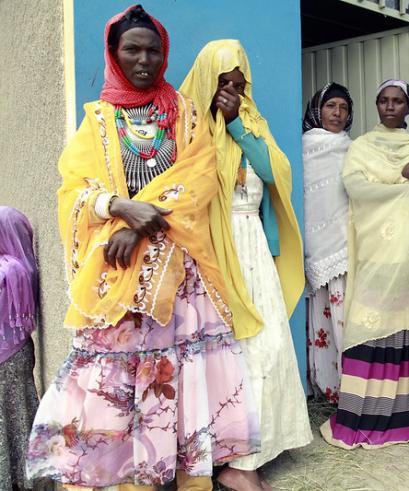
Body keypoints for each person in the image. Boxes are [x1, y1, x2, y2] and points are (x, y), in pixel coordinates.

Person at [26, 8, 259, 489]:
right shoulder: (98, 120)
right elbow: (73, 189)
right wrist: (120, 207)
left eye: (153, 49)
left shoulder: (184, 112)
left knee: (175, 375)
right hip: (119, 278)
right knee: (116, 382)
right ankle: (126, 479)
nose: (144, 59)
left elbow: (199, 178)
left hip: (178, 275)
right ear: (114, 53)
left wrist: (141, 223)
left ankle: (181, 475)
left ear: (164, 53)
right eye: (132, 48)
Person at [180, 40, 311, 491]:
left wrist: (237, 123)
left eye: (239, 85)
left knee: (267, 347)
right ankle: (231, 461)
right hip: (213, 252)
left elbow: (275, 174)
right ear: (206, 83)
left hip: (252, 246)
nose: (231, 93)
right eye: (222, 85)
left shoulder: (251, 121)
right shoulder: (188, 125)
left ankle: (254, 452)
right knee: (226, 354)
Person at [320, 79, 409, 449]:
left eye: (398, 101)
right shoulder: (362, 147)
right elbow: (356, 187)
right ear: (375, 105)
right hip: (374, 250)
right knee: (368, 321)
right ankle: (364, 416)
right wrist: (404, 187)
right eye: (384, 100)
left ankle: (408, 418)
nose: (390, 107)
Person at [302, 82, 354, 403]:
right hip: (314, 243)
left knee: (345, 313)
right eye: (330, 106)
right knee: (319, 311)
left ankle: (350, 387)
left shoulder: (354, 148)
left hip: (346, 243)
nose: (336, 113)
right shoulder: (304, 147)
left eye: (343, 108)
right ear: (317, 110)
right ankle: (325, 388)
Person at [0, 207, 39, 491]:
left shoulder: (7, 270)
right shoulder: (16, 270)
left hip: (7, 358)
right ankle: (28, 480)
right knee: (22, 418)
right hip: (16, 355)